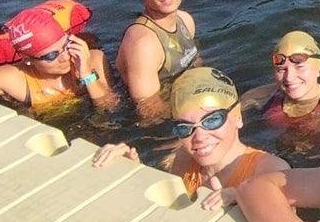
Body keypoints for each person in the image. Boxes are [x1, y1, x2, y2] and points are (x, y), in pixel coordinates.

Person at [92, 67, 288, 211]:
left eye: (212, 120)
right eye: (185, 127)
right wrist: (132, 171)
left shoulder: (271, 170)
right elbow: (172, 207)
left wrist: (247, 198)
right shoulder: (185, 157)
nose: (200, 137)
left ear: (237, 118)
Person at [0, 4, 116, 113]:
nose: (64, 57)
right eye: (51, 56)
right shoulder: (11, 78)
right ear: (27, 59)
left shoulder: (93, 59)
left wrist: (87, 74)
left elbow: (109, 107)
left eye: (67, 46)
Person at [239, 30, 320, 153]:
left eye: (300, 67)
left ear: (317, 69)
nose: (289, 78)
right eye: (282, 70)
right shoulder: (259, 97)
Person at [115, 0, 199, 124]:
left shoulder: (185, 20)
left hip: (184, 102)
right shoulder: (144, 44)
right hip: (165, 122)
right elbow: (149, 112)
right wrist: (198, 121)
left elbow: (195, 64)